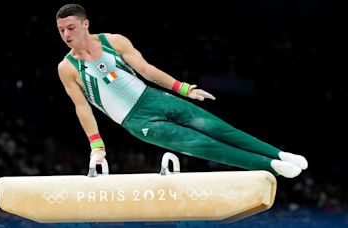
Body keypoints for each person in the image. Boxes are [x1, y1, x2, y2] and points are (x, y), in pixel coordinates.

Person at [55, 4, 308, 178]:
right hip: (136, 121)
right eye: (61, 30)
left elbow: (147, 70)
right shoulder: (68, 67)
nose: (66, 34)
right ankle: (272, 166)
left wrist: (184, 89)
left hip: (153, 97)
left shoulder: (114, 41)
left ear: (85, 24)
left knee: (218, 128)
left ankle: (280, 153)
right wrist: (96, 145)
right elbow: (82, 107)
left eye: (70, 27)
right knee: (204, 145)